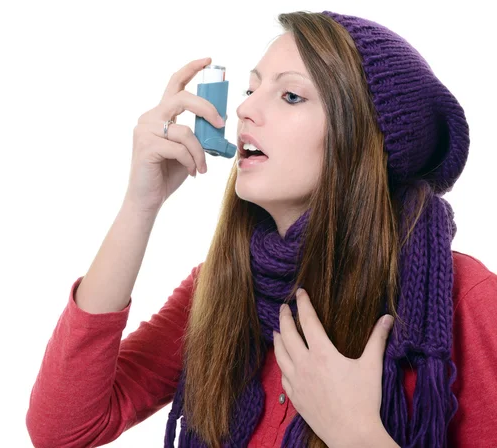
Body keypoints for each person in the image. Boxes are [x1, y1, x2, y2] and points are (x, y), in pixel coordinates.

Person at [25, 10, 497, 448]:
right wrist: (140, 202)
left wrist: (356, 432)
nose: (245, 111)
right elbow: (63, 428)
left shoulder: (464, 300)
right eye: (252, 90)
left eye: (291, 95)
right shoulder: (223, 287)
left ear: (365, 140)